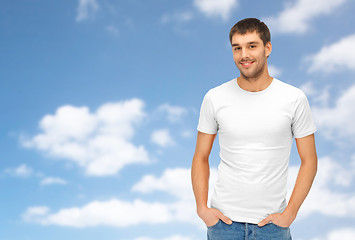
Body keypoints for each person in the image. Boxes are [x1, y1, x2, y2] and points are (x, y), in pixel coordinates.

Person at [191, 18, 318, 240]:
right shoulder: (215, 97)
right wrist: (202, 209)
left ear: (267, 48)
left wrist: (290, 214)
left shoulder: (294, 99)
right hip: (223, 226)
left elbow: (309, 160)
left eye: (251, 46)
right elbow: (201, 156)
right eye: (237, 48)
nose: (244, 55)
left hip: (272, 227)